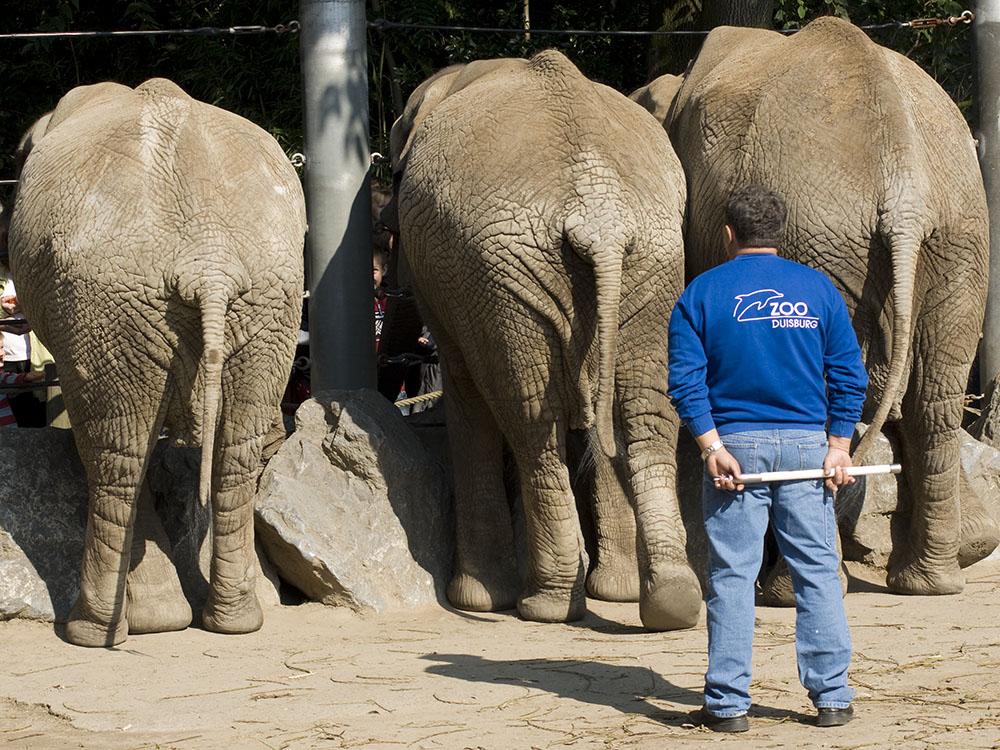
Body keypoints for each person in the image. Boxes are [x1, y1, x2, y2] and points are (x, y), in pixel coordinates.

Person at [667, 185, 868, 733]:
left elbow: (686, 380)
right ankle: (832, 699)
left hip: (736, 450)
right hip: (808, 448)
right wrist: (839, 444)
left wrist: (710, 445)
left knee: (733, 574)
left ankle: (728, 707)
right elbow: (850, 372)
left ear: (727, 234)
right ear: (782, 234)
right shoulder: (818, 290)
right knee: (818, 571)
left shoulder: (702, 293)